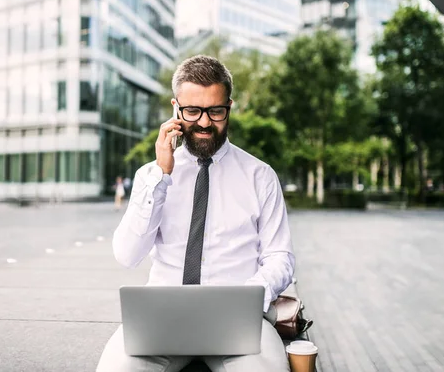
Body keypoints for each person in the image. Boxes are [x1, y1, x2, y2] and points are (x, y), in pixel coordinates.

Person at [96, 55, 295, 371]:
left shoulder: (260, 176)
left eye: (215, 111)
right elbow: (126, 255)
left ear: (229, 107)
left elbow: (280, 256)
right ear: (176, 109)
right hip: (162, 318)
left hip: (238, 320)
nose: (204, 122)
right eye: (192, 111)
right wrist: (161, 174)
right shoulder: (150, 175)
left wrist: (247, 298)